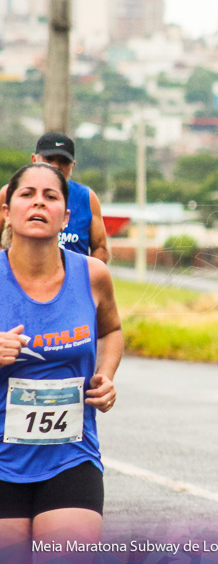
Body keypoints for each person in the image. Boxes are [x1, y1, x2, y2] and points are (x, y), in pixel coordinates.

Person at [0, 163, 123, 560]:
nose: (39, 202)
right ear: (7, 210)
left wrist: (105, 376)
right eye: (27, 194)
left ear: (66, 216)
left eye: (50, 196)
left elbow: (111, 331)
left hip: (71, 456)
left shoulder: (93, 275)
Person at [0, 132, 110, 263]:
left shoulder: (86, 197)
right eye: (49, 159)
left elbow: (100, 248)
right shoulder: (10, 193)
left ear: (73, 165)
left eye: (64, 161)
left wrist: (85, 276)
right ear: (34, 159)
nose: (56, 166)